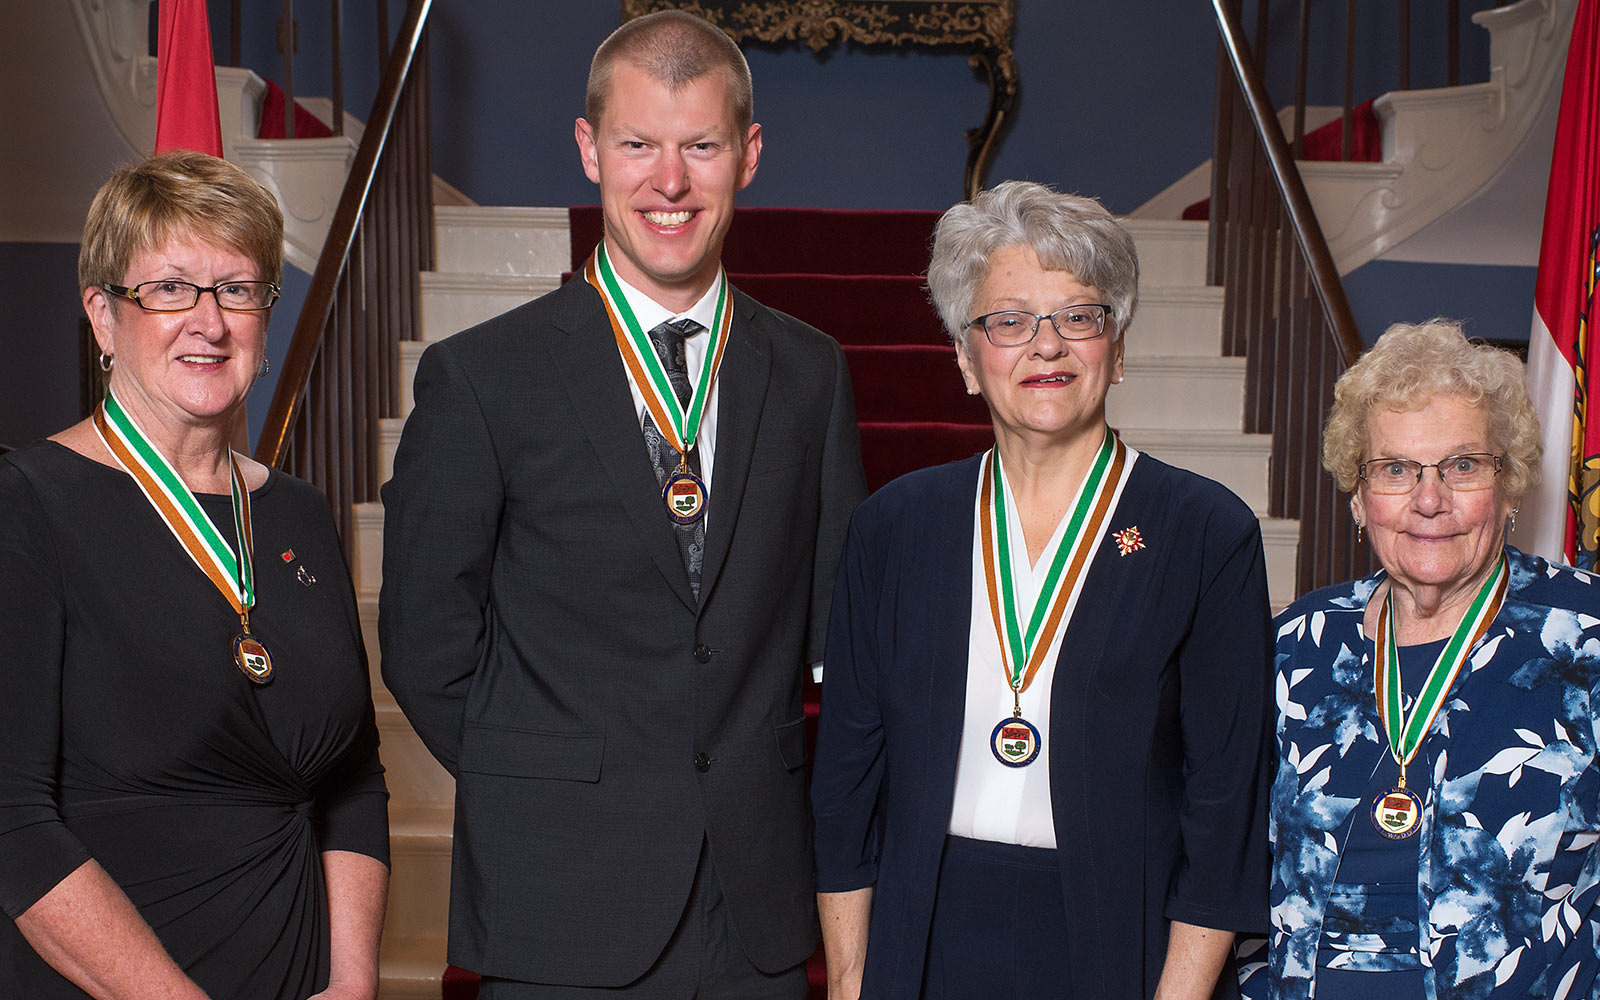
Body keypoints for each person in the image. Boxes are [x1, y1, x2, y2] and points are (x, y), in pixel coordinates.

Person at [378, 11, 865, 999]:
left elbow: (834, 618)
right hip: (558, 898)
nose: (669, 181)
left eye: (701, 146)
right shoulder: (481, 378)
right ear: (589, 149)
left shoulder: (811, 372)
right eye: (638, 144)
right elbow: (425, 638)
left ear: (750, 155)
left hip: (754, 905)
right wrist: (543, 785)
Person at [810, 180, 1273, 1000]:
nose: (1045, 347)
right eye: (1010, 321)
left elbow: (1225, 796)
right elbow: (846, 777)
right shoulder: (895, 528)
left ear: (1117, 348)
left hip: (1123, 939)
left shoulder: (1204, 532)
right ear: (964, 355)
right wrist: (851, 984)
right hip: (924, 934)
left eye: (1079, 317)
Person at [0, 150, 390, 999]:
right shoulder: (27, 505)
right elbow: (11, 824)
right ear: (103, 318)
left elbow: (354, 777)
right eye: (171, 288)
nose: (209, 322)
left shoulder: (297, 514)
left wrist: (352, 981)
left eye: (239, 288)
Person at [1237, 319, 1600, 999]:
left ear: (1510, 484)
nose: (1429, 501)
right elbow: (1222, 862)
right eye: (1396, 470)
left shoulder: (1585, 637)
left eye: (1463, 466)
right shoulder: (1299, 643)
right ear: (1359, 495)